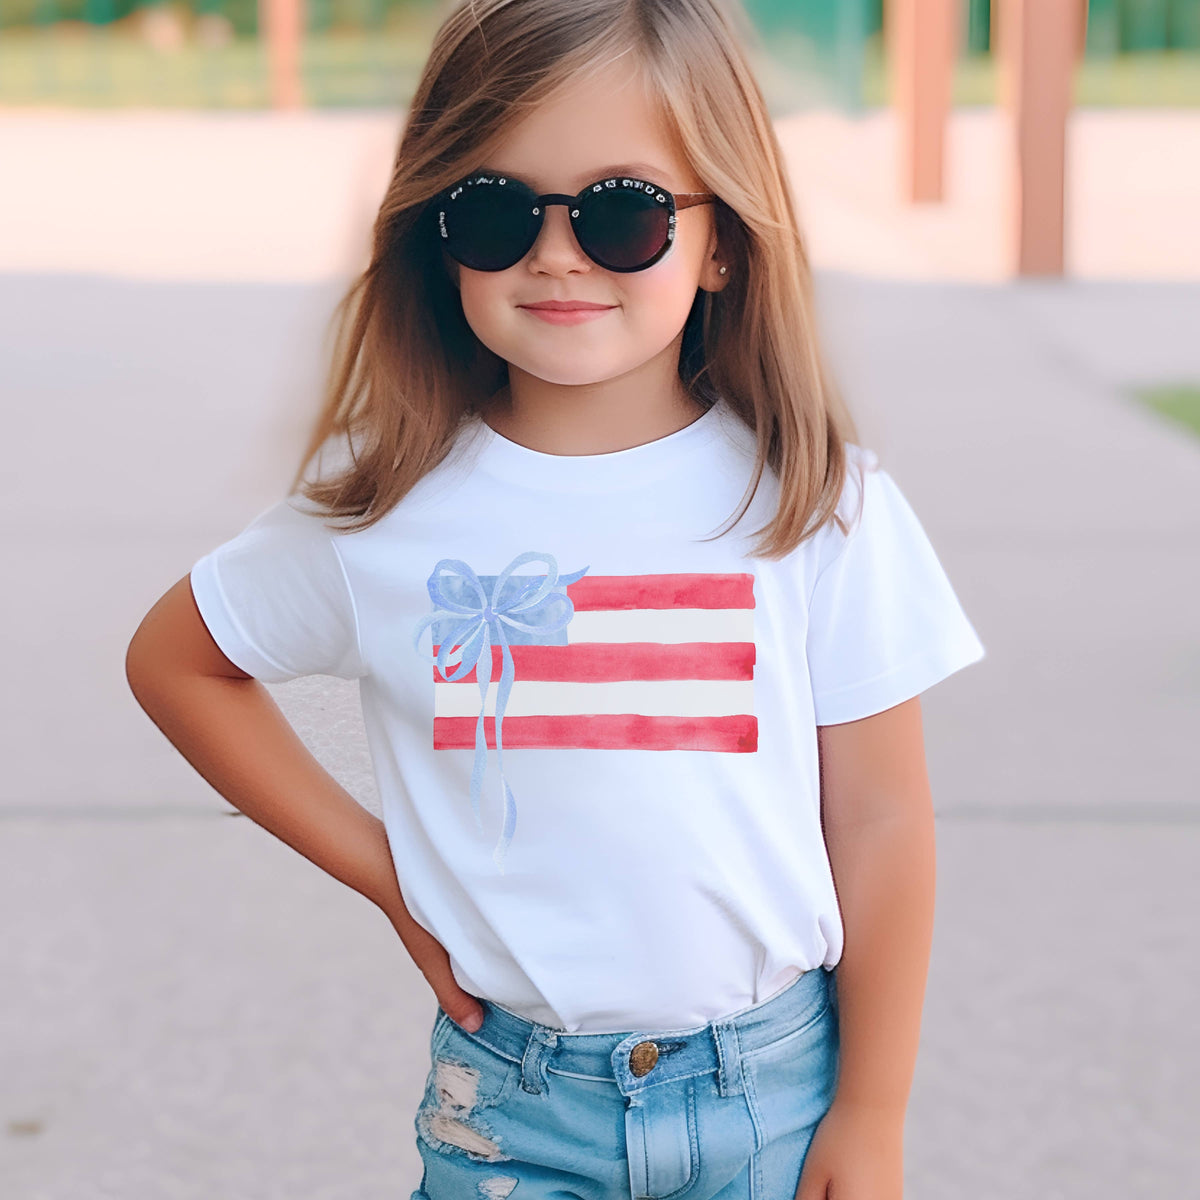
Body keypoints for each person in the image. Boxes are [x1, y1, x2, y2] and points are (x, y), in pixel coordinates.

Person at [125, 1, 987, 1197]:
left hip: (773, 1099)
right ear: (438, 233)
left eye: (624, 211)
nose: (558, 252)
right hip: (512, 1115)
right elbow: (178, 662)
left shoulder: (814, 503)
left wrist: (876, 1111)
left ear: (723, 237)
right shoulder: (387, 508)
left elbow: (885, 821)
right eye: (494, 210)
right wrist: (389, 877)